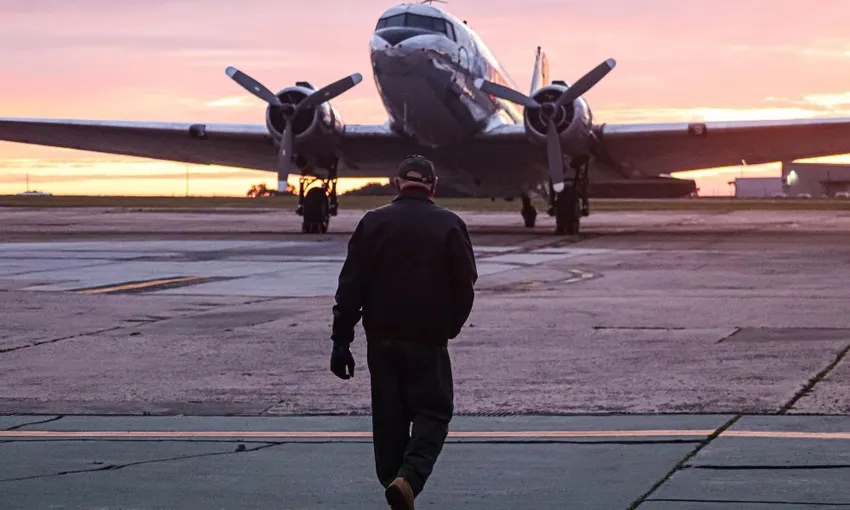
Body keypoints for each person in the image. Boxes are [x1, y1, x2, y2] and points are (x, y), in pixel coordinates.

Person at [329, 154, 478, 509]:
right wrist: (449, 327)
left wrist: (340, 341)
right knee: (434, 412)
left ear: (397, 184)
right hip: (428, 339)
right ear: (434, 185)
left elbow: (350, 285)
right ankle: (407, 480)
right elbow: (466, 285)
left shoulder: (372, 222)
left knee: (389, 420)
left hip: (381, 341)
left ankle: (393, 482)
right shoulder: (450, 224)